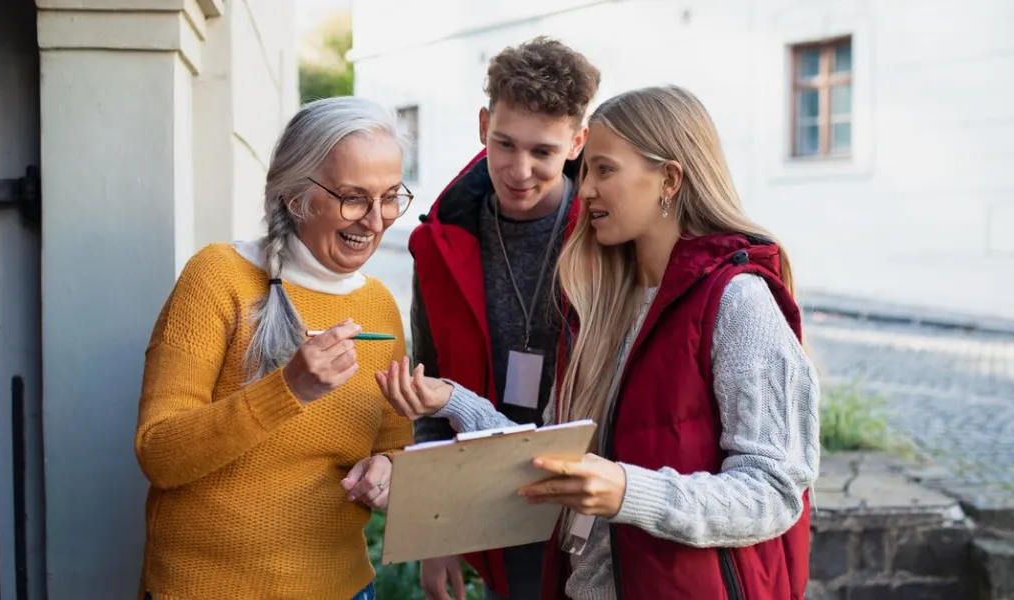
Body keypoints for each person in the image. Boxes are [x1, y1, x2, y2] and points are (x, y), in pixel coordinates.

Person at [379, 85, 820, 600]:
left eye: (603, 170)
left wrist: (628, 492)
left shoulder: (738, 303)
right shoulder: (601, 302)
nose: (583, 189)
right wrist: (454, 401)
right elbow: (559, 457)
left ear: (669, 180)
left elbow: (774, 491)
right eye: (585, 170)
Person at [133, 96, 414, 600]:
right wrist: (287, 390)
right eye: (354, 198)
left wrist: (389, 469)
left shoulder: (380, 306)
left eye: (390, 196)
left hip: (343, 588)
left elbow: (394, 442)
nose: (376, 221)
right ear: (295, 197)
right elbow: (159, 453)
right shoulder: (219, 277)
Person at [406, 36, 600, 600]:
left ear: (577, 141)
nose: (519, 170)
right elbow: (429, 388)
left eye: (542, 151)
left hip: (598, 501)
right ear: (484, 123)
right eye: (504, 144)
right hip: (495, 502)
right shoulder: (437, 244)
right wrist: (435, 528)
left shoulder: (610, 234)